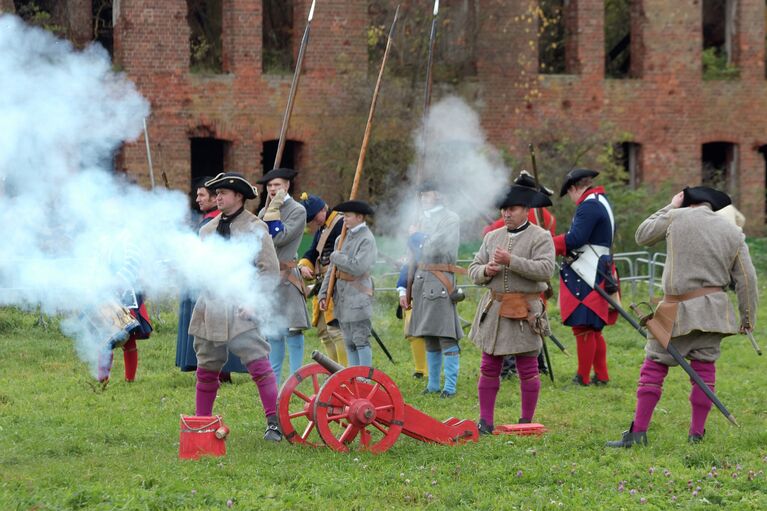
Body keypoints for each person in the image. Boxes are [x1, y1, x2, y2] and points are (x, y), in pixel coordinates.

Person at [607, 186, 757, 447]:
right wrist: (747, 318)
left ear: (688, 202)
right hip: (713, 313)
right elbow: (747, 279)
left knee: (653, 367)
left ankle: (638, 433)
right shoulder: (733, 232)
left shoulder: (676, 216)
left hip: (676, 311)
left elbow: (642, 235)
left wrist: (670, 206)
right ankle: (696, 434)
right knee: (704, 370)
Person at [188, 172, 283, 441]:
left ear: (239, 196)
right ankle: (202, 424)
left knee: (259, 366)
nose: (217, 196)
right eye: (215, 192)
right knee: (206, 369)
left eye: (223, 193)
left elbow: (270, 271)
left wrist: (253, 302)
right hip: (211, 307)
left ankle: (274, 423)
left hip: (242, 308)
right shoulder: (206, 231)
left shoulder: (256, 228)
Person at [468, 184, 555, 433]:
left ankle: (526, 421)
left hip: (525, 310)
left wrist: (511, 261)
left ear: (526, 209)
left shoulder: (541, 236)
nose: (507, 214)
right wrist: (486, 270)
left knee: (527, 367)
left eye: (512, 209)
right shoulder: (491, 237)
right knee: (488, 366)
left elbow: (546, 270)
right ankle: (485, 421)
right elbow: (474, 269)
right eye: (504, 209)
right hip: (494, 309)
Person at [175, 176, 247, 382]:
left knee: (217, 326)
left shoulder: (217, 223)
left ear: (215, 198)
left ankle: (221, 371)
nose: (198, 199)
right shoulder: (206, 221)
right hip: (199, 280)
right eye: (197, 195)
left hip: (214, 282)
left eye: (202, 195)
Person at [487, 171, 557, 379]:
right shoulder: (547, 216)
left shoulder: (536, 224)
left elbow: (497, 231)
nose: (508, 212)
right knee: (529, 325)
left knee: (525, 325)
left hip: (526, 284)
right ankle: (539, 364)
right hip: (522, 286)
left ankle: (510, 368)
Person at [553, 168, 617, 386]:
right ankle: (602, 375)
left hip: (588, 271)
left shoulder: (589, 205)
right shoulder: (600, 200)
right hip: (595, 268)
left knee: (585, 326)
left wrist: (549, 243)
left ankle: (583, 377)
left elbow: (575, 239)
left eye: (569, 193)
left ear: (573, 188)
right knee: (593, 328)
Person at [400, 181, 464, 398]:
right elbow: (411, 257)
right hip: (421, 281)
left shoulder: (450, 218)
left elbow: (436, 247)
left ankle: (450, 387)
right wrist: (403, 288)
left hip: (439, 280)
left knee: (446, 336)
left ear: (438, 194)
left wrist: (415, 236)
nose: (423, 198)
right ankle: (434, 385)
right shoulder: (421, 219)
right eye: (421, 195)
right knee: (429, 336)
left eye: (426, 194)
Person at [256, 168, 310, 385]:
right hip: (268, 278)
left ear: (286, 186)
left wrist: (274, 212)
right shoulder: (263, 212)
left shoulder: (297, 210)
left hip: (287, 278)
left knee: (293, 331)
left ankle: (296, 381)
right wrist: (268, 213)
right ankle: (275, 382)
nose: (272, 189)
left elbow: (279, 238)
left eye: (277, 185)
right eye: (269, 186)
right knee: (274, 333)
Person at [318, 200, 377, 367]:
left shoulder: (367, 239)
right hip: (342, 298)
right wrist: (324, 293)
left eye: (348, 216)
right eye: (343, 216)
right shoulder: (340, 239)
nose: (344, 219)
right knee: (348, 341)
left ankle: (364, 378)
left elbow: (357, 267)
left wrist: (336, 256)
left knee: (360, 339)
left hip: (358, 297)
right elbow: (332, 270)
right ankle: (353, 377)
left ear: (359, 217)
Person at [297, 193, 348, 366]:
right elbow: (313, 251)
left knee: (336, 331)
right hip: (323, 282)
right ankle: (333, 370)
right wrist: (304, 265)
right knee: (324, 332)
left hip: (337, 282)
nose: (313, 222)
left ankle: (343, 372)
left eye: (314, 217)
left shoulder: (340, 223)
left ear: (323, 209)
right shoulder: (323, 227)